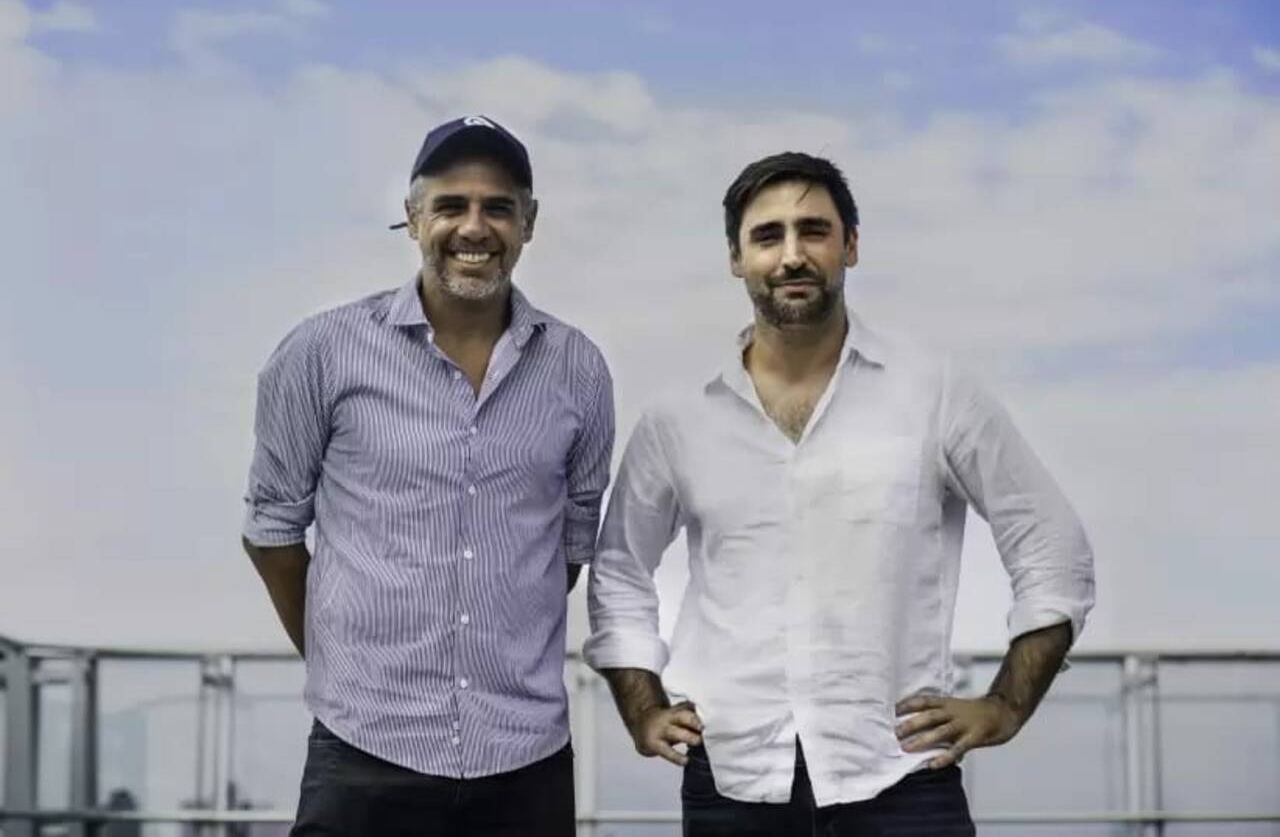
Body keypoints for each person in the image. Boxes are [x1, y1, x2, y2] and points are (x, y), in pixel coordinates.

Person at [584, 152, 1095, 836]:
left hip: (902, 775)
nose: (792, 255)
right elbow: (619, 569)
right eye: (768, 236)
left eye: (814, 231)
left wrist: (1006, 703)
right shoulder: (679, 419)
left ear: (850, 245)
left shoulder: (935, 392)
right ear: (736, 258)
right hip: (732, 780)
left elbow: (1052, 546)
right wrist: (642, 705)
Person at [241, 115, 614, 837]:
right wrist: (345, 662)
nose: (474, 227)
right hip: (363, 751)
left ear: (528, 224)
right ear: (413, 218)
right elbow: (272, 534)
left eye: (497, 207)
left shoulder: (580, 370)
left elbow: (566, 551)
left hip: (526, 760)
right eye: (450, 206)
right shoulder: (321, 353)